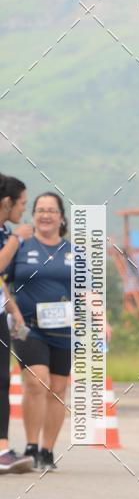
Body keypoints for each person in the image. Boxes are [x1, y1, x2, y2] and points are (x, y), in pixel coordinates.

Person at [8, 193, 77, 470]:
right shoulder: (21, 247)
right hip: (28, 327)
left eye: (51, 210)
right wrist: (12, 309)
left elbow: (88, 291)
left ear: (61, 217)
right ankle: (31, 446)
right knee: (37, 382)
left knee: (58, 388)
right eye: (40, 210)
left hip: (64, 330)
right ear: (33, 215)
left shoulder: (74, 252)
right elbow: (2, 280)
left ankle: (47, 450)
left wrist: (101, 320)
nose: (45, 215)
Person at [0, 174, 35, 474]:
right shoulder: (11, 236)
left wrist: (14, 310)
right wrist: (17, 239)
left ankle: (2, 448)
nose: (24, 209)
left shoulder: (4, 232)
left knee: (2, 380)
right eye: (22, 203)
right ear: (7, 202)